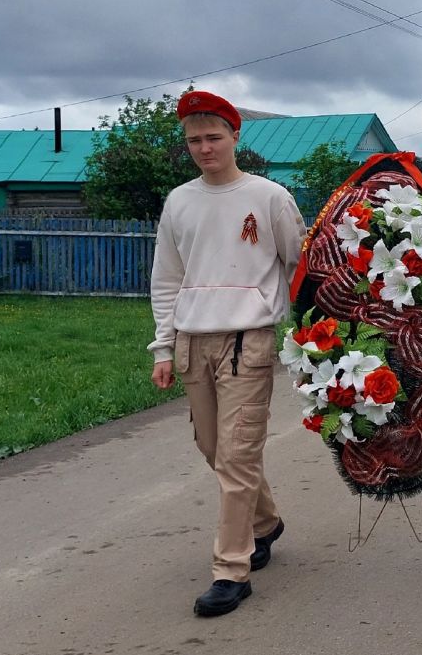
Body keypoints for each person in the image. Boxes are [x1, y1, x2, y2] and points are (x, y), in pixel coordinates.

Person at [148, 90, 307, 617]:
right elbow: (166, 279)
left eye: (214, 137)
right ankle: (264, 523)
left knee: (237, 456)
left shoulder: (269, 197)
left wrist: (303, 329)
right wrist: (163, 347)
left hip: (248, 340)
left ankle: (230, 571)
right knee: (214, 449)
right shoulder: (179, 202)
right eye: (194, 140)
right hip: (192, 341)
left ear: (235, 136)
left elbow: (298, 264)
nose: (204, 148)